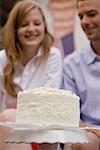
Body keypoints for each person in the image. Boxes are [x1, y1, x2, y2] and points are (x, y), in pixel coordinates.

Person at [0, 0, 62, 149]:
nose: (31, 29)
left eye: (37, 23)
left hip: (42, 129)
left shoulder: (53, 56)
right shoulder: (2, 58)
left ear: (44, 27)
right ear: (14, 30)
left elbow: (50, 101)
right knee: (8, 116)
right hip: (8, 129)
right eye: (24, 24)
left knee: (10, 115)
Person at [62, 0, 100, 149]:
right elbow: (69, 117)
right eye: (80, 16)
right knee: (84, 141)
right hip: (88, 135)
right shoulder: (71, 64)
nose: (84, 22)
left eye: (91, 14)